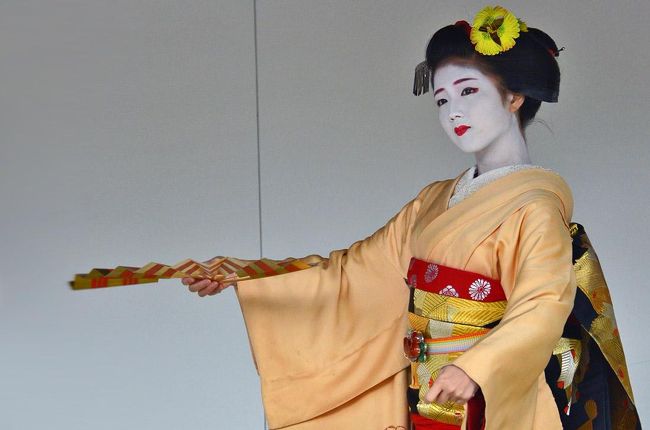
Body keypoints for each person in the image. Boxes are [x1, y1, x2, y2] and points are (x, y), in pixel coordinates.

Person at [184, 6, 639, 430]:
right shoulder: (435, 199)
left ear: (515, 96)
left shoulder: (537, 206)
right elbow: (351, 273)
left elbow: (542, 305)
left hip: (484, 393)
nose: (453, 111)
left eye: (468, 91)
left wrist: (476, 367)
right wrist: (244, 275)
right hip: (422, 386)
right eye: (441, 100)